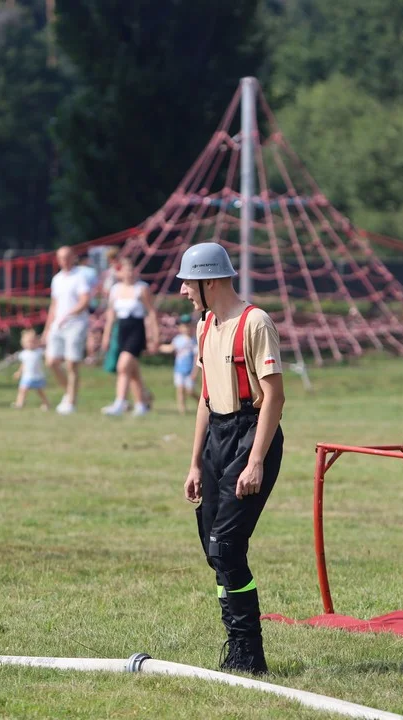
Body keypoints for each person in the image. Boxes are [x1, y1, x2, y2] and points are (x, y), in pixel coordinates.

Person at [177, 242, 286, 675]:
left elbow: (275, 395)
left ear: (211, 280)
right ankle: (238, 647)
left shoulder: (254, 323)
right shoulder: (206, 325)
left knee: (226, 546)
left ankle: (249, 654)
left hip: (251, 435)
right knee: (213, 550)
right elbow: (205, 399)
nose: (184, 290)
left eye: (189, 281)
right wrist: (194, 464)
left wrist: (256, 461)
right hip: (217, 438)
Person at [99, 257, 159, 416]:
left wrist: (155, 336)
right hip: (122, 329)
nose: (129, 273)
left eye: (132, 270)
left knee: (123, 365)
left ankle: (120, 402)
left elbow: (151, 312)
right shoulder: (115, 289)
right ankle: (142, 403)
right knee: (133, 371)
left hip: (136, 329)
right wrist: (106, 335)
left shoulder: (141, 288)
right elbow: (111, 314)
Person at [43, 246, 91, 414]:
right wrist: (47, 329)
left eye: (67, 257)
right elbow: (54, 305)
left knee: (71, 363)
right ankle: (69, 393)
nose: (64, 260)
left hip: (76, 324)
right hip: (58, 325)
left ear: (73, 258)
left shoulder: (80, 277)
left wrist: (71, 313)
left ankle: (70, 401)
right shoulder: (57, 279)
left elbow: (85, 300)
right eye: (61, 257)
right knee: (51, 361)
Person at [159, 314, 198, 414]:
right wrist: (159, 347)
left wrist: (195, 371)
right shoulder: (178, 340)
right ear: (180, 328)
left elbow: (196, 358)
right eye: (184, 326)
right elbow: (170, 348)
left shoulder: (194, 341)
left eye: (189, 326)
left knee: (190, 390)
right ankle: (182, 409)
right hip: (179, 370)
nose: (187, 329)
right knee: (180, 389)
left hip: (189, 370)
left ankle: (200, 402)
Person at [12, 328, 50, 410]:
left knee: (40, 391)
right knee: (22, 390)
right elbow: (23, 364)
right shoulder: (24, 354)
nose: (30, 344)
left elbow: (47, 358)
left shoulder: (39, 352)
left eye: (33, 341)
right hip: (27, 376)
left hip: (38, 376)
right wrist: (19, 372)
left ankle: (46, 403)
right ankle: (20, 403)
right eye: (28, 342)